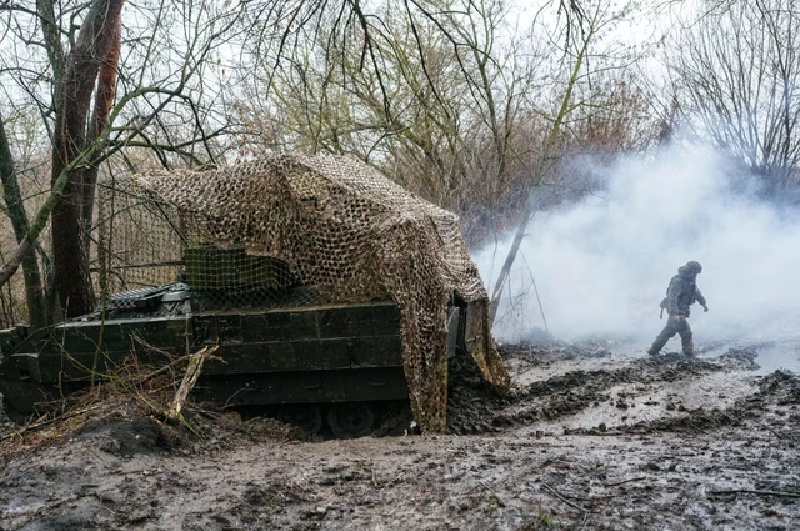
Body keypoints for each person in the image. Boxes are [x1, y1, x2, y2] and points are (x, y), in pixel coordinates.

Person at [647, 261, 708, 357]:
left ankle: (653, 350)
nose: (695, 275)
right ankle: (689, 354)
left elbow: (695, 292)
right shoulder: (678, 281)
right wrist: (674, 313)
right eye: (694, 272)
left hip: (681, 311)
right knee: (686, 333)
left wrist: (703, 303)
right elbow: (672, 297)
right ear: (689, 270)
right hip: (677, 311)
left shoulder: (690, 280)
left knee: (668, 331)